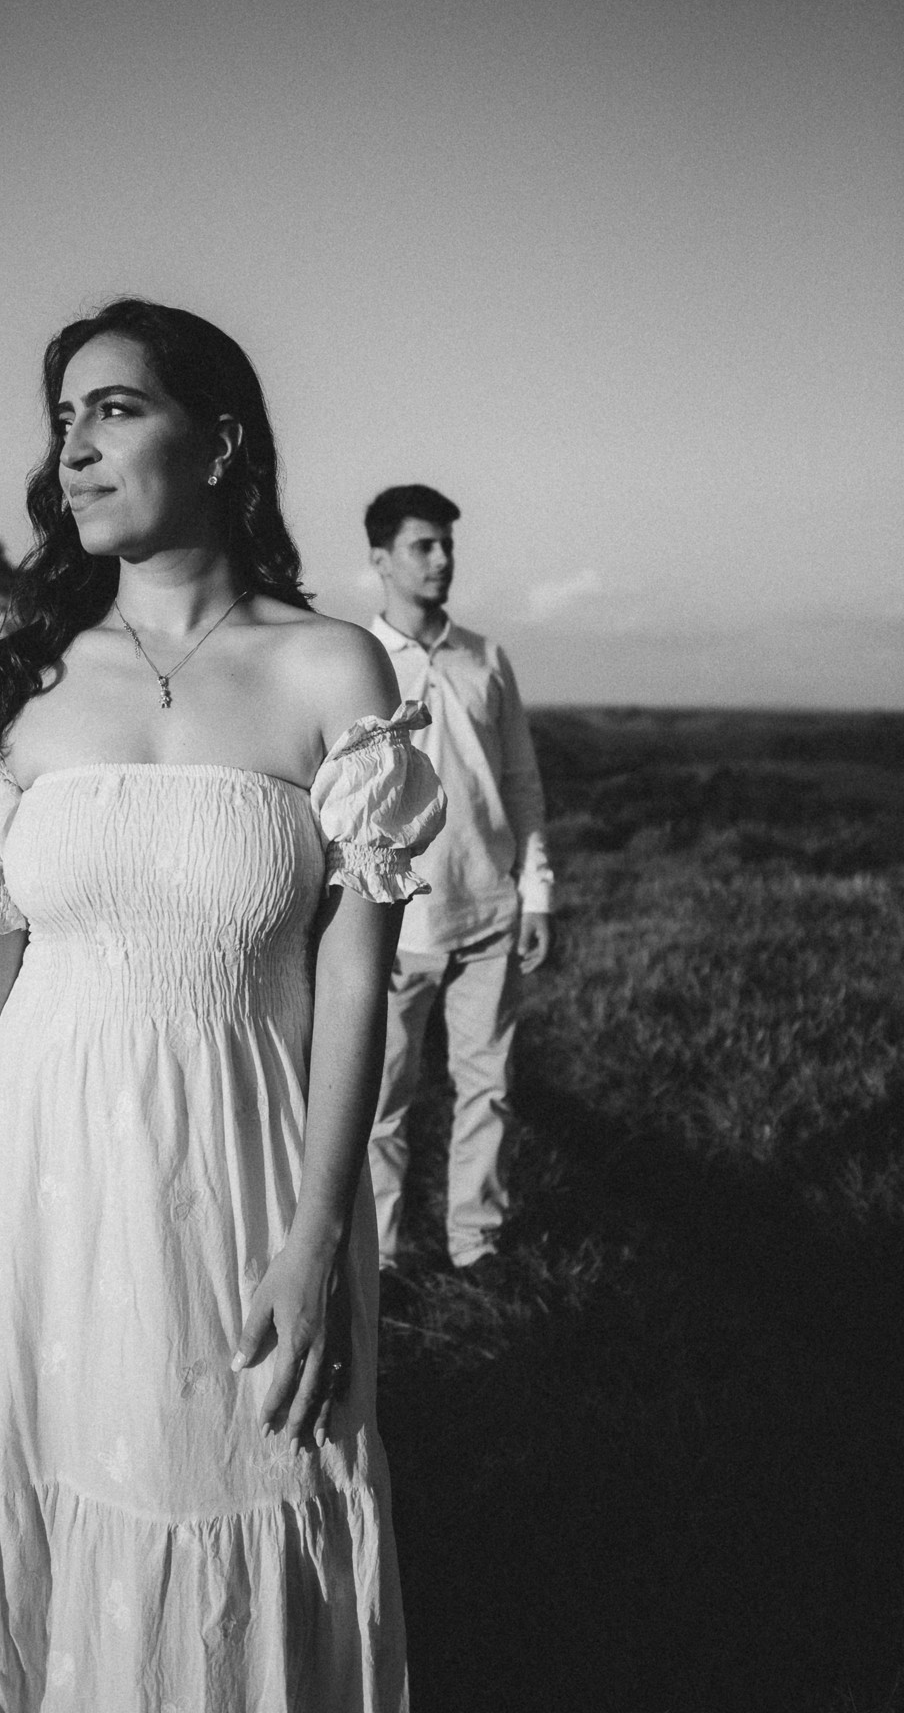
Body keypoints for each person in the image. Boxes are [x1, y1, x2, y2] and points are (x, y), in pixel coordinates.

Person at [0, 299, 445, 1711]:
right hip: (37, 1204)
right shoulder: (22, 683)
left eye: (114, 409)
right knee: (45, 1516)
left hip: (246, 1190)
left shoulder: (332, 670)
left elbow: (356, 973)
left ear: (222, 441)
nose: (73, 447)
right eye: (64, 418)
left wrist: (320, 1236)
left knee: (244, 1494)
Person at [363, 484, 553, 1300]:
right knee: (379, 1100)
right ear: (380, 559)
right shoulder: (358, 661)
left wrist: (536, 893)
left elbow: (522, 782)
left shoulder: (486, 656)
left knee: (490, 1087)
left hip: (489, 909)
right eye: (423, 545)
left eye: (447, 544)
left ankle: (477, 1244)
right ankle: (378, 1257)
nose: (442, 560)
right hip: (393, 925)